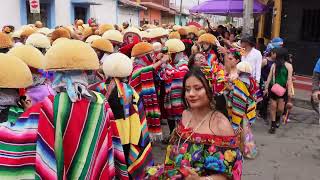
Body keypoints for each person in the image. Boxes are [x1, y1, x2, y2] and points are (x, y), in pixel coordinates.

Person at [35, 40, 117, 178]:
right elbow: (111, 136)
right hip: (94, 168)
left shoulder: (51, 103)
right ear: (84, 74)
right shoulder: (100, 100)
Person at [146, 67, 242, 180]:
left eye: (198, 88)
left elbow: (227, 175)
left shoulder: (221, 124)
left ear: (210, 89)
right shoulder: (185, 114)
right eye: (187, 89)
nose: (191, 94)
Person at [93, 53, 154, 179]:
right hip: (127, 132)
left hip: (106, 131)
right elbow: (137, 112)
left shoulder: (98, 88)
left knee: (110, 160)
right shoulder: (129, 90)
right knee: (125, 159)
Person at [129, 42, 169, 140]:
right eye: (150, 55)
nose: (152, 57)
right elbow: (145, 70)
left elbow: (150, 67)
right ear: (143, 56)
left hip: (143, 99)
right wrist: (161, 61)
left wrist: (157, 59)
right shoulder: (136, 67)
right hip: (138, 101)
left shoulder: (140, 64)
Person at [160, 39, 189, 134]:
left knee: (181, 119)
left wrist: (166, 65)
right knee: (170, 117)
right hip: (170, 98)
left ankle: (181, 136)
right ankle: (172, 134)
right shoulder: (170, 63)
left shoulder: (184, 62)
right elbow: (162, 76)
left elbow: (177, 74)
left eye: (170, 54)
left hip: (180, 97)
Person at [264, 47, 293, 134]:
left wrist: (289, 93)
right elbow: (269, 77)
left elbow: (289, 80)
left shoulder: (288, 66)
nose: (274, 54)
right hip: (273, 88)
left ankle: (277, 118)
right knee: (273, 106)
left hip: (283, 89)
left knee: (280, 109)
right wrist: (266, 88)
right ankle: (273, 125)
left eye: (276, 53)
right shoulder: (274, 65)